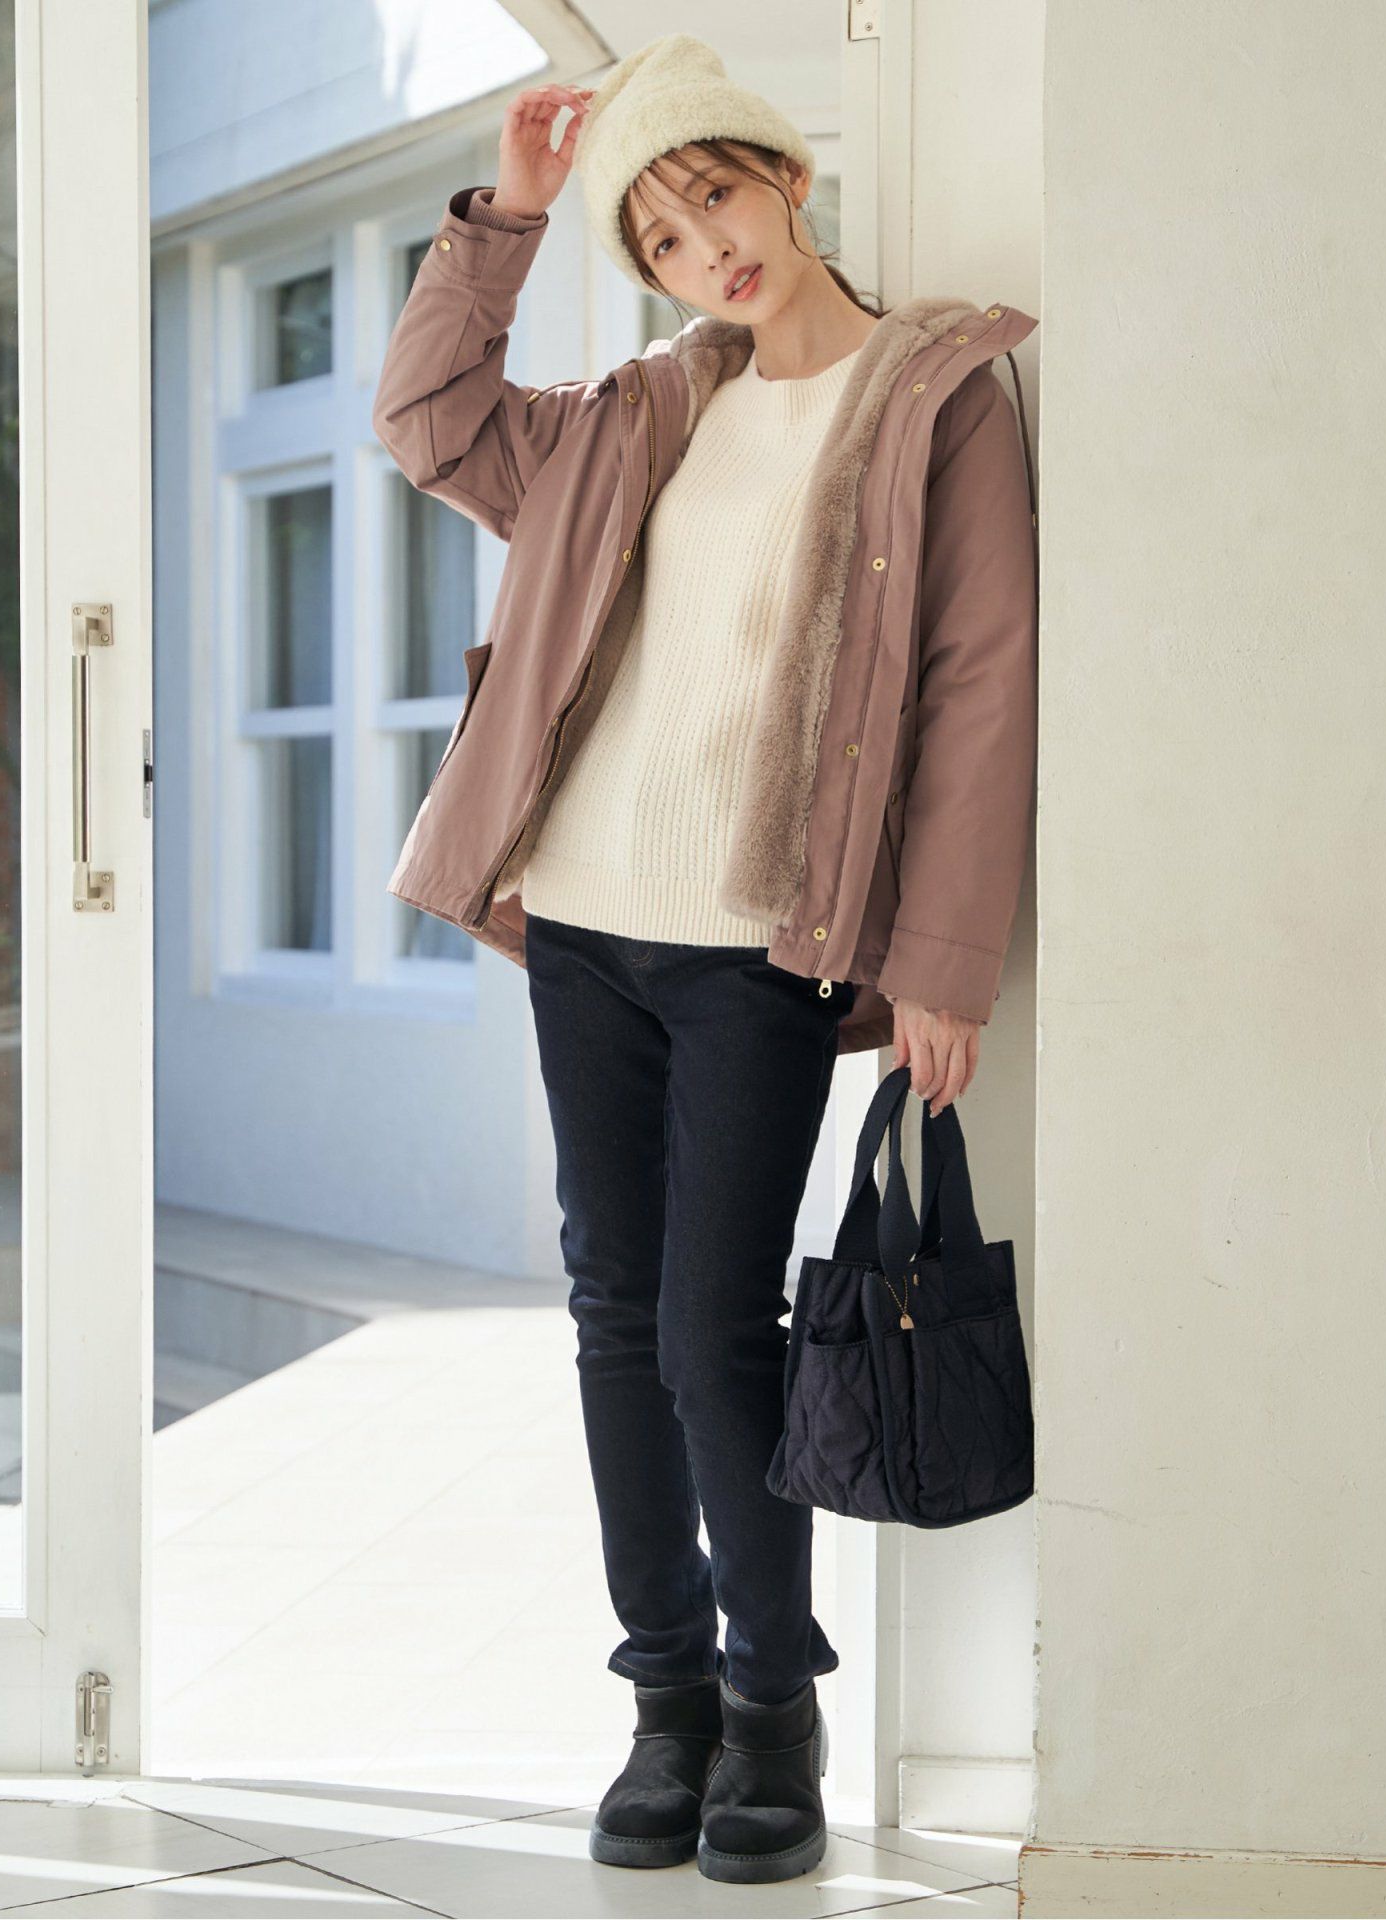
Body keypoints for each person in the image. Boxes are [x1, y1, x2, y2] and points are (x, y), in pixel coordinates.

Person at [371, 31, 1037, 1887]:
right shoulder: (637, 412)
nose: (704, 249)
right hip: (584, 917)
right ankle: (663, 1700)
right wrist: (506, 219)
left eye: (717, 197)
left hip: (762, 942)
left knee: (709, 1331)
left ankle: (770, 1705)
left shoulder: (936, 395)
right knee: (612, 1313)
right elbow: (427, 421)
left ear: (786, 179)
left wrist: (946, 960)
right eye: (661, 237)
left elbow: (981, 680)